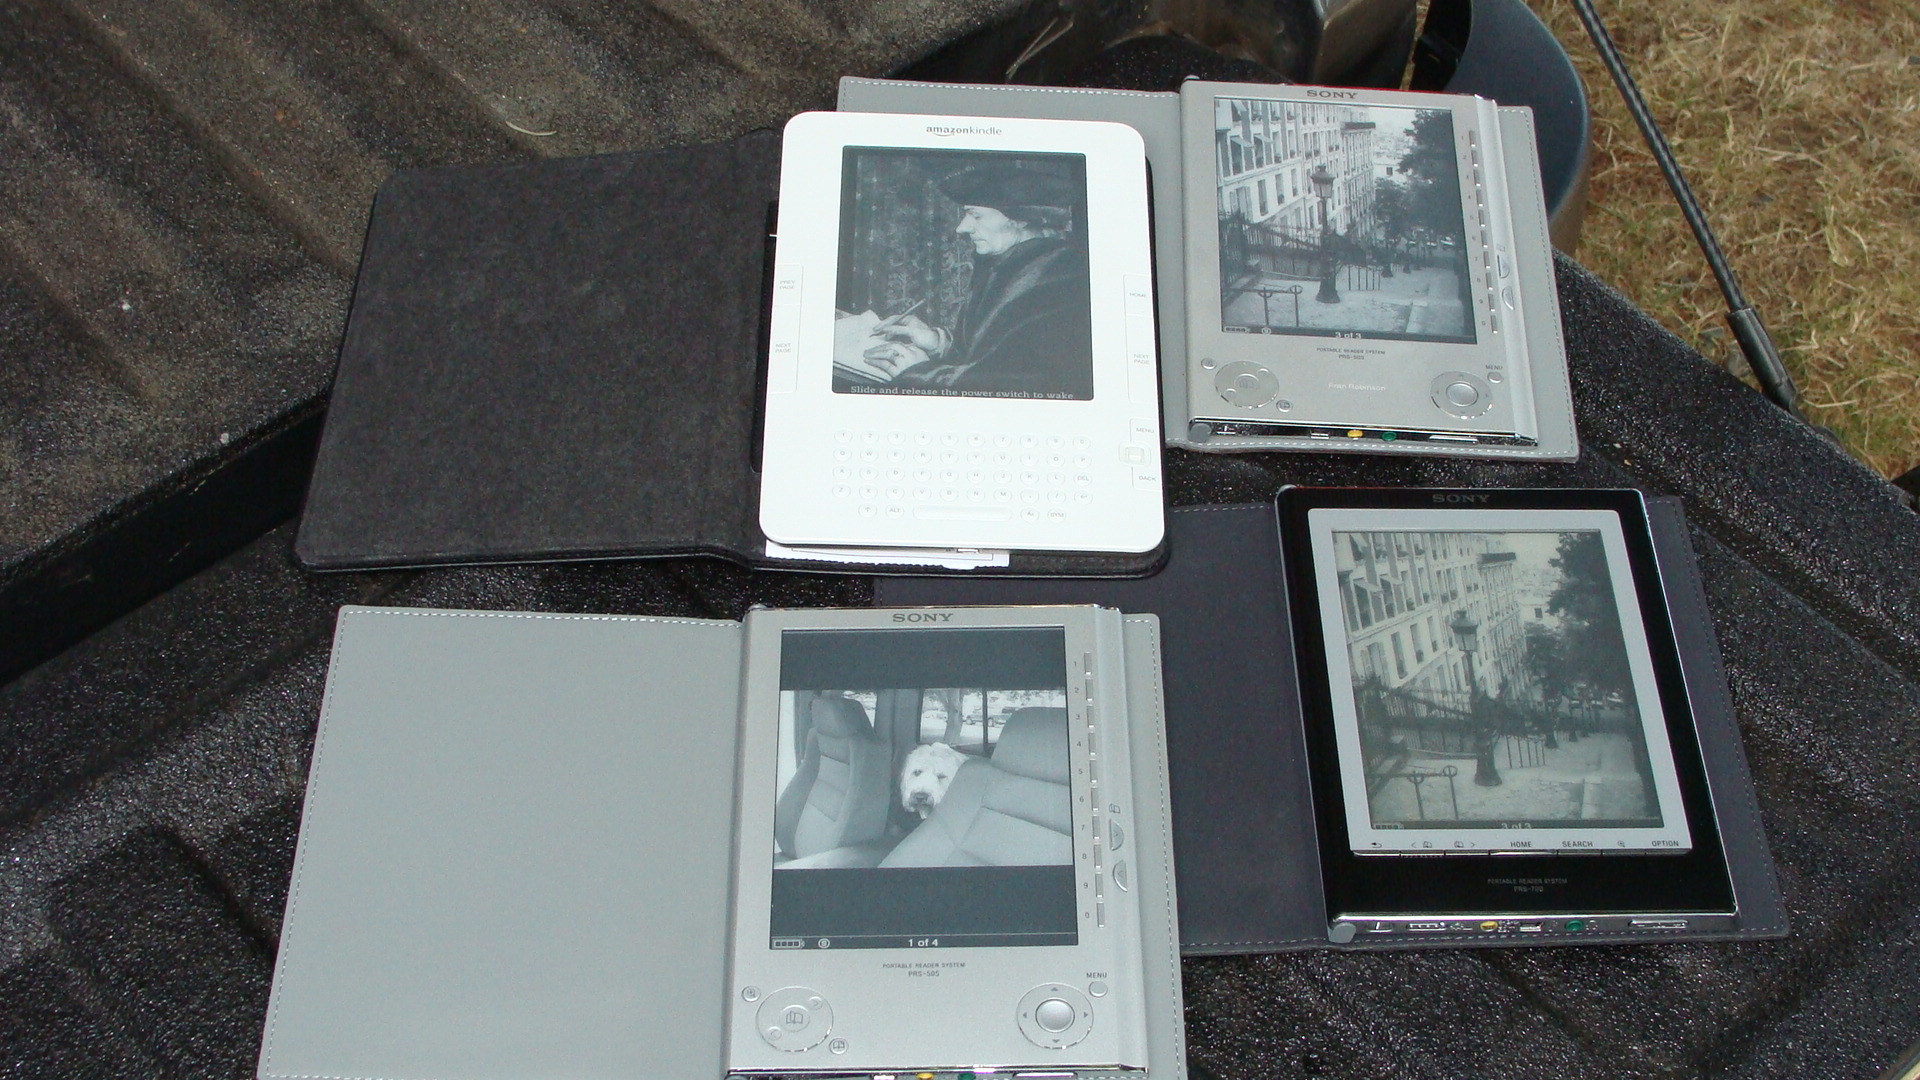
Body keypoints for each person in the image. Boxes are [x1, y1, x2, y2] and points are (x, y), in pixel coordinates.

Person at [861, 163, 1094, 398]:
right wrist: (938, 344)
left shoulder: (1059, 276)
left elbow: (1019, 383)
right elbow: (992, 356)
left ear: (1021, 218)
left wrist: (920, 374)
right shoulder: (1011, 267)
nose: (962, 228)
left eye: (976, 215)